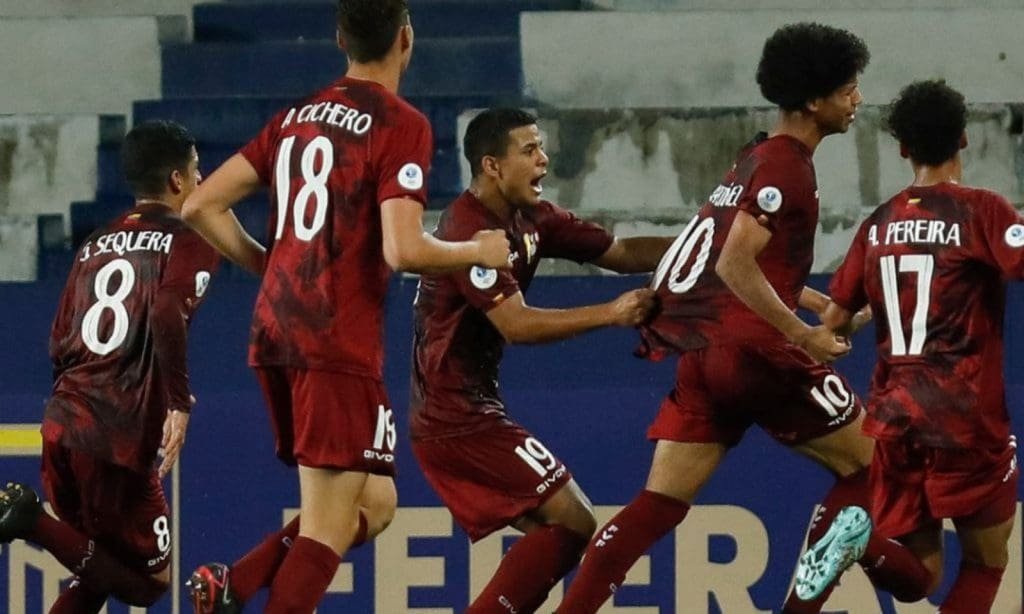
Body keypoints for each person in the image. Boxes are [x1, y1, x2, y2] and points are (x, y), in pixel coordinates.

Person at [556, 22, 933, 614]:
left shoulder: (753, 160)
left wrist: (820, 306)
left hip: (706, 357)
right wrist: (801, 332)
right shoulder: (787, 168)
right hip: (760, 356)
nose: (858, 100)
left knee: (655, 505)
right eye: (848, 88)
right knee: (874, 471)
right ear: (814, 99)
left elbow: (719, 255)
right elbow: (734, 262)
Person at [179, 1, 511, 612]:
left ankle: (238, 582)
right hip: (333, 340)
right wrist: (477, 249)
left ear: (339, 40)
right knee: (326, 529)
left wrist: (271, 265)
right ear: (406, 40)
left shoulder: (295, 118)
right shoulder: (399, 123)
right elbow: (404, 248)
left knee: (375, 503)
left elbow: (199, 205)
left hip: (276, 330)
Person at [410, 107, 666, 613]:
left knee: (565, 529)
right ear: (492, 166)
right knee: (573, 520)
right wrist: (611, 313)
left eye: (541, 147)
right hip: (453, 415)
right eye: (529, 150)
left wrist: (704, 245)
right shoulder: (468, 230)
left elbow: (618, 252)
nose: (544, 159)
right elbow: (517, 325)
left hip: (470, 409)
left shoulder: (533, 219)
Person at [792, 80, 1023, 613]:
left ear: (902, 149)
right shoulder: (982, 210)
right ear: (964, 139)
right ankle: (860, 540)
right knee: (985, 564)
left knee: (921, 576)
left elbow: (834, 320)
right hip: (966, 419)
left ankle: (861, 543)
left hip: (896, 418)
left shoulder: (878, 225)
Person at [0, 120, 217, 613]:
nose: (202, 181)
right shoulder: (190, 240)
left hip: (64, 421)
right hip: (116, 439)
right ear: (179, 181)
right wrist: (177, 401)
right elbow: (166, 311)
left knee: (99, 567)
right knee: (149, 583)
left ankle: (34, 520)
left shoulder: (94, 244)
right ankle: (29, 518)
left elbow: (59, 340)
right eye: (198, 170)